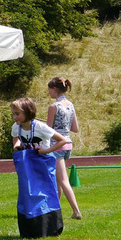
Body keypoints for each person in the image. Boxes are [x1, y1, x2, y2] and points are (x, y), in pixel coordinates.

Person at [10, 97, 68, 239]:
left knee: (44, 193)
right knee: (28, 195)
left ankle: (50, 227)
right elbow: (15, 137)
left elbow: (62, 140)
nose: (14, 117)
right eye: (13, 114)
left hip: (42, 165)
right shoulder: (16, 127)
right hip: (27, 167)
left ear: (28, 112)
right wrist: (16, 145)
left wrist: (47, 151)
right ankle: (30, 229)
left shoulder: (40, 127)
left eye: (17, 113)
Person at [45, 77, 82, 220]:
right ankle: (55, 209)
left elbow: (48, 130)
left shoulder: (53, 107)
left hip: (57, 145)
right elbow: (75, 128)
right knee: (57, 180)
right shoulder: (70, 105)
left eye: (49, 90)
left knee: (63, 180)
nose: (48, 93)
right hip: (68, 144)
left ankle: (76, 210)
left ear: (54, 89)